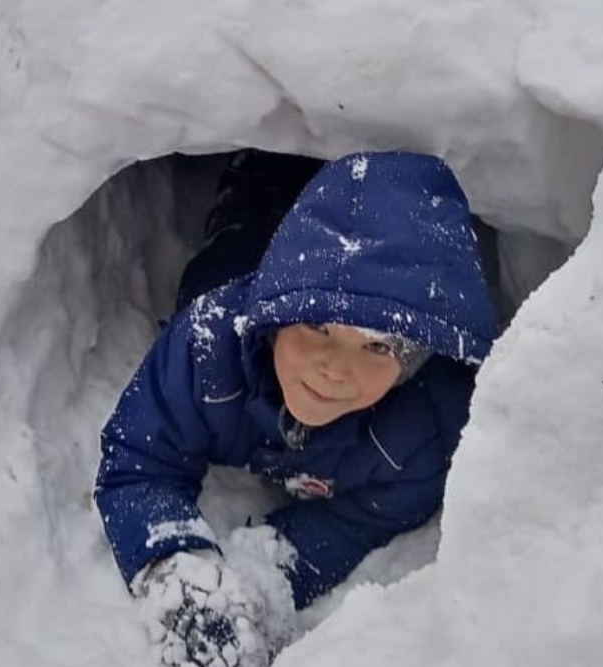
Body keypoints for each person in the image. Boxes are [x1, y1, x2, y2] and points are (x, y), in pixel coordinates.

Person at [95, 149, 499, 667]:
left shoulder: (416, 440)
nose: (333, 368)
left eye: (377, 347)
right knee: (251, 215)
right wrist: (175, 567)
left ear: (412, 365)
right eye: (316, 326)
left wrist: (265, 579)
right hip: (246, 247)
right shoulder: (207, 347)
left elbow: (358, 521)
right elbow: (139, 460)